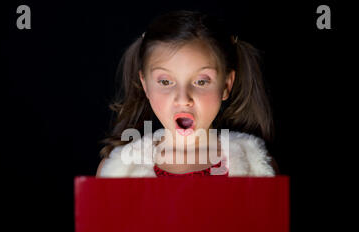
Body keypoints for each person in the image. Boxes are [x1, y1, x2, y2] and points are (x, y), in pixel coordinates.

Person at [96, 10, 279, 177]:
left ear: (225, 86)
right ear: (145, 85)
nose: (183, 99)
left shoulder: (257, 168)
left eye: (201, 82)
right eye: (166, 82)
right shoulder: (117, 171)